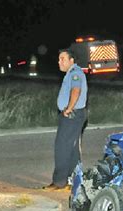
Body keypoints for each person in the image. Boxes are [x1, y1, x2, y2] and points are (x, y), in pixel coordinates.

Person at [43, 48, 88, 191]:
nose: (59, 62)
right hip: (74, 114)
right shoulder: (71, 73)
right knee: (72, 148)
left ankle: (59, 182)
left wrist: (68, 108)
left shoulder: (75, 73)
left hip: (72, 114)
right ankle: (75, 179)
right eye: (59, 59)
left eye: (62, 59)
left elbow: (76, 91)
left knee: (62, 147)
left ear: (71, 60)